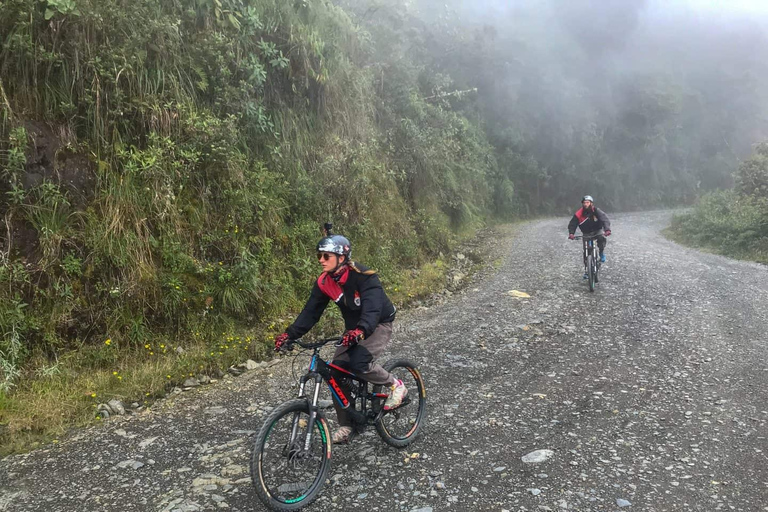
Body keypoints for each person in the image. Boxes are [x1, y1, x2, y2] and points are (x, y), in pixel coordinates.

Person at [273, 228, 406, 444]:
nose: (321, 261)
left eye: (326, 256)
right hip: (354, 328)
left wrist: (361, 330)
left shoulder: (364, 277)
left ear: (341, 258)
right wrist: (289, 334)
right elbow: (311, 312)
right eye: (319, 256)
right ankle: (348, 424)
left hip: (378, 323)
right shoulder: (325, 282)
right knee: (336, 371)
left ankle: (395, 384)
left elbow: (372, 310)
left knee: (359, 361)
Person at [568, 195, 612, 277]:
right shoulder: (579, 214)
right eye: (584, 203)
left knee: (602, 238)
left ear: (591, 203)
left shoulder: (596, 211)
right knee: (586, 251)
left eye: (587, 202)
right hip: (586, 233)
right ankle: (587, 270)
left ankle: (601, 252)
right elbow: (572, 224)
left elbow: (605, 219)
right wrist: (571, 233)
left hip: (597, 231)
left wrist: (607, 230)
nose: (585, 204)